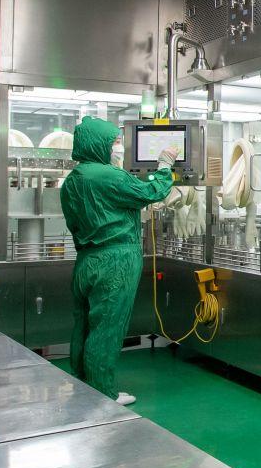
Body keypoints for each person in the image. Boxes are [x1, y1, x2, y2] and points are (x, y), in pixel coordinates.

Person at [58, 116, 175, 406]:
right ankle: (102, 393)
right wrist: (165, 166)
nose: (116, 148)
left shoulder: (72, 180)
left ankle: (83, 384)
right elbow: (152, 192)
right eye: (113, 143)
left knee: (84, 325)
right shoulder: (108, 175)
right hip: (115, 262)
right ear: (98, 144)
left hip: (86, 259)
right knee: (107, 328)